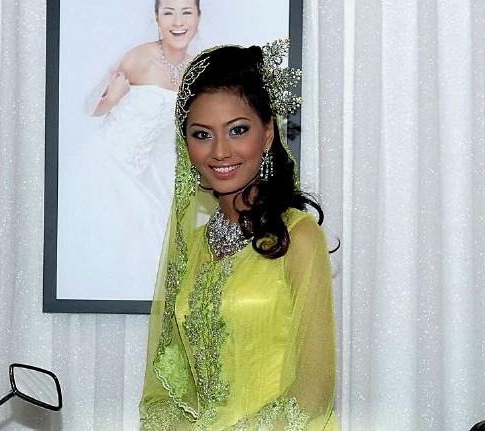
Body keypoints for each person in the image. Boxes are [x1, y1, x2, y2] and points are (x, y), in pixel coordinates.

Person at [139, 40, 339, 430]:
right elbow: (165, 392)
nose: (220, 151)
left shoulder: (299, 238)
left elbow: (314, 391)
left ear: (267, 134)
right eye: (202, 134)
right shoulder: (190, 247)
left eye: (237, 130)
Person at [56, 0, 200, 301]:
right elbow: (87, 108)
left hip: (147, 171)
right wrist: (112, 98)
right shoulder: (137, 58)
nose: (178, 22)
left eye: (186, 12)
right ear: (157, 18)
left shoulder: (197, 69)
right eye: (168, 13)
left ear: (198, 18)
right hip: (106, 165)